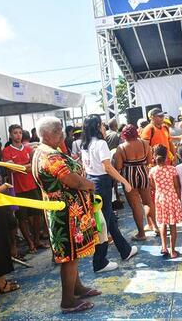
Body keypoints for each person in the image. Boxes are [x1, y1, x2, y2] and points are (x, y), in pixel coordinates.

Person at [31, 116, 100, 313]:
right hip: (65, 213)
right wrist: (90, 185)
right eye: (57, 130)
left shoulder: (44, 151)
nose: (62, 133)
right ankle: (68, 300)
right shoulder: (50, 156)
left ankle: (77, 288)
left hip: (66, 211)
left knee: (73, 255)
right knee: (69, 257)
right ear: (47, 134)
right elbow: (72, 180)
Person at [80, 114, 138, 273]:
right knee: (103, 223)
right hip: (102, 183)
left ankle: (124, 250)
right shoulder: (100, 144)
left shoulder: (85, 144)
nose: (104, 128)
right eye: (102, 125)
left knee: (109, 220)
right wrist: (125, 182)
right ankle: (99, 262)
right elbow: (107, 167)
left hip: (93, 183)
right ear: (97, 126)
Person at [2, 123, 47, 254]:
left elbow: (33, 165)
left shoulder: (28, 149)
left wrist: (21, 166)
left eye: (20, 132)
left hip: (32, 186)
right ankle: (30, 243)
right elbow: (12, 168)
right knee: (22, 217)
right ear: (10, 135)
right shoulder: (7, 151)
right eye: (15, 133)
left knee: (37, 214)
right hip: (18, 189)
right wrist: (25, 166)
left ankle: (37, 240)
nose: (18, 135)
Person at [114, 124, 157, 240]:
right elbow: (149, 161)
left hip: (129, 177)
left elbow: (118, 166)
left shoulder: (121, 148)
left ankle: (141, 234)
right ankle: (156, 227)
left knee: (135, 205)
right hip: (143, 173)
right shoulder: (144, 144)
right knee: (148, 202)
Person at [149, 144, 182, 258]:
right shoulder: (172, 170)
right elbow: (177, 186)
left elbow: (152, 186)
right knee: (172, 225)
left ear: (154, 156)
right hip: (172, 198)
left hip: (160, 199)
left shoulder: (153, 171)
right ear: (166, 156)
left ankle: (164, 248)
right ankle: (173, 251)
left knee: (163, 223)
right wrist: (178, 198)